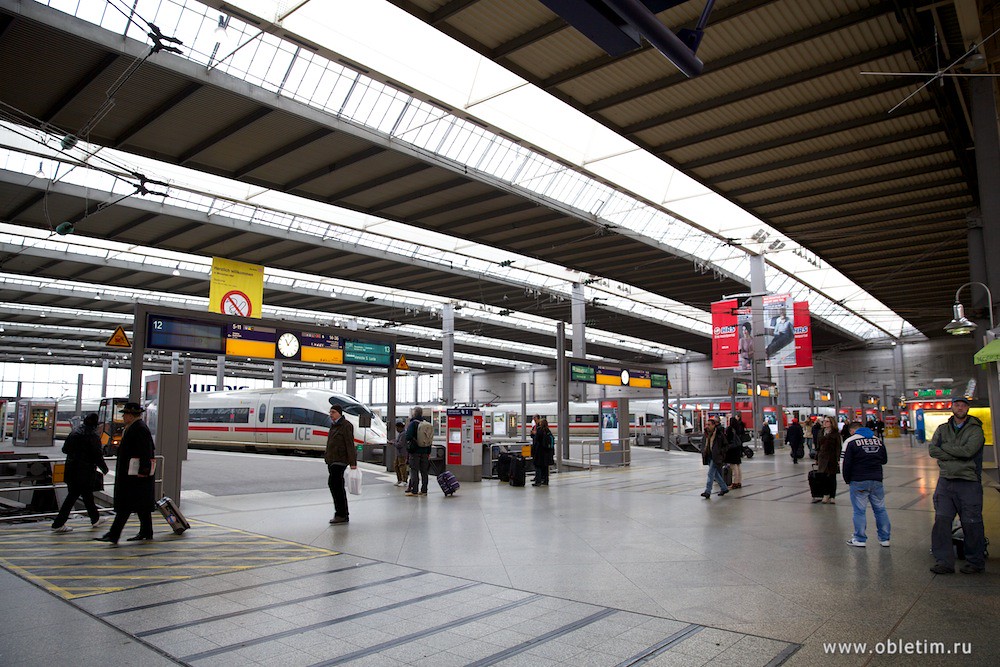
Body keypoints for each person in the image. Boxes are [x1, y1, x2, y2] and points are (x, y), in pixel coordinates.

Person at [929, 397, 986, 574]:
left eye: (963, 405)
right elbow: (932, 450)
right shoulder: (942, 429)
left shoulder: (976, 430)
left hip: (968, 481)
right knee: (941, 521)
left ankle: (975, 562)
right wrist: (958, 454)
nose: (960, 408)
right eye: (957, 405)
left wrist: (945, 449)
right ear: (952, 407)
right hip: (945, 481)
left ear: (967, 408)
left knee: (971, 522)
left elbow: (969, 451)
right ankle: (944, 561)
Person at [94, 402, 154, 545]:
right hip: (132, 474)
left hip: (135, 475)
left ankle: (114, 535)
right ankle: (146, 532)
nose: (123, 417)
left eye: (125, 414)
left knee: (126, 506)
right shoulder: (132, 427)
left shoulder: (139, 428)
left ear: (131, 415)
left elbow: (147, 451)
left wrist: (143, 471)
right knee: (141, 506)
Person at [52, 413, 109, 533]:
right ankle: (58, 524)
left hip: (71, 470)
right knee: (74, 498)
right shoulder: (93, 436)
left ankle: (95, 519)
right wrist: (104, 468)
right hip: (85, 472)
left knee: (86, 497)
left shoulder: (75, 432)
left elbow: (65, 449)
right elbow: (97, 455)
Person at [842, 421, 890, 547]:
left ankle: (859, 539)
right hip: (876, 479)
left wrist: (847, 479)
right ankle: (884, 538)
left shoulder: (851, 441)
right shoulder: (877, 440)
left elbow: (846, 463)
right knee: (880, 510)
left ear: (853, 431)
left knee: (859, 511)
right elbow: (884, 460)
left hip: (858, 480)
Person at [324, 404, 357, 524]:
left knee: (335, 484)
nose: (330, 415)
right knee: (335, 485)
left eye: (333, 412)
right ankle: (341, 513)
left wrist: (353, 463)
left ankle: (341, 514)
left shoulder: (346, 425)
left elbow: (349, 444)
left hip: (340, 460)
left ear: (339, 413)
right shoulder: (334, 425)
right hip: (332, 460)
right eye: (330, 412)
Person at [814, 416, 842, 504]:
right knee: (823, 477)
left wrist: (838, 458)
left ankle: (832, 495)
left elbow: (838, 447)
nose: (825, 423)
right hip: (822, 457)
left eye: (827, 421)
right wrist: (816, 457)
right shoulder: (821, 432)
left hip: (832, 457)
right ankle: (825, 494)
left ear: (831, 423)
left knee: (832, 477)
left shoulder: (835, 433)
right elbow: (818, 446)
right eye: (824, 421)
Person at [700, 418, 728, 498]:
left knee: (710, 473)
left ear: (713, 425)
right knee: (716, 474)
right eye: (706, 424)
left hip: (715, 457)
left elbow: (726, 445)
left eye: (709, 425)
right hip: (708, 455)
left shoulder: (719, 434)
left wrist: (720, 452)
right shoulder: (706, 434)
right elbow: (703, 443)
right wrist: (703, 451)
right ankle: (724, 488)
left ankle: (707, 491)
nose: (707, 426)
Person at [405, 406, 430, 496]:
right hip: (425, 450)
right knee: (424, 471)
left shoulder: (413, 423)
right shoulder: (426, 423)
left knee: (414, 470)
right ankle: (424, 490)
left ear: (415, 413)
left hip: (415, 451)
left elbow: (408, 436)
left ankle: (414, 490)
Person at [531, 417, 553, 486]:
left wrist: (533, 451)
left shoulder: (539, 430)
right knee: (545, 467)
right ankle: (546, 481)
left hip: (539, 452)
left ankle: (538, 481)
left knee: (538, 466)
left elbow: (536, 441)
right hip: (546, 452)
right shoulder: (548, 431)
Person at [724, 416, 743, 489]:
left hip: (732, 449)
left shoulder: (729, 429)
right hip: (738, 448)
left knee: (733, 466)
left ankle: (735, 482)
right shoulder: (738, 428)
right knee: (738, 465)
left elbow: (728, 439)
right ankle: (739, 482)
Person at [391, 420, 408, 487]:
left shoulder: (403, 434)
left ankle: (404, 480)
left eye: (397, 428)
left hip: (402, 453)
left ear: (400, 427)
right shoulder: (401, 434)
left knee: (402, 466)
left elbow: (400, 445)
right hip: (399, 453)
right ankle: (400, 480)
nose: (397, 430)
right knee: (396, 466)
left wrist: (393, 443)